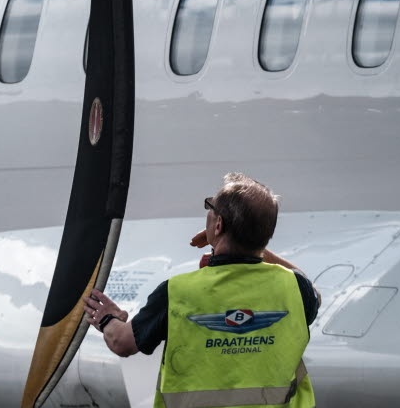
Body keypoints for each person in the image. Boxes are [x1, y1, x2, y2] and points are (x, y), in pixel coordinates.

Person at [84, 173, 319, 408]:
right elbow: (311, 290)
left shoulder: (177, 292)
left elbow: (122, 343)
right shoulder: (296, 289)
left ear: (218, 224)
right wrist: (255, 245)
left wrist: (108, 319)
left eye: (211, 208)